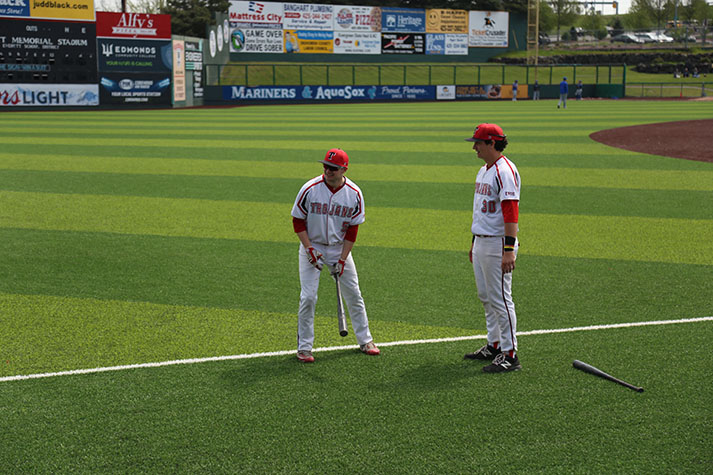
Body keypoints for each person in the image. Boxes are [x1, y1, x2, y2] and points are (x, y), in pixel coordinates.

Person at [290, 148, 380, 363]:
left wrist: (342, 258)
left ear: (344, 169)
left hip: (339, 248)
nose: (327, 170)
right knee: (308, 297)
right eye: (325, 166)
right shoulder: (309, 189)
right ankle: (304, 348)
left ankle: (365, 340)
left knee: (354, 294)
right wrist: (309, 248)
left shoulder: (354, 193)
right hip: (312, 246)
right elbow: (297, 220)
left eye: (333, 168)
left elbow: (353, 229)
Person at [463, 124, 522, 373]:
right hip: (482, 241)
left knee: (500, 298)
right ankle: (494, 344)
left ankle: (510, 354)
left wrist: (509, 249)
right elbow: (482, 211)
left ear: (491, 143)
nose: (474, 147)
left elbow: (511, 212)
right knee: (486, 296)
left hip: (498, 242)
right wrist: (474, 242)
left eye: (478, 142)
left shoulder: (504, 171)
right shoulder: (484, 170)